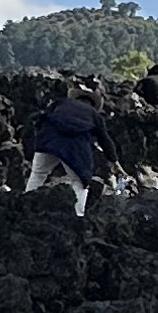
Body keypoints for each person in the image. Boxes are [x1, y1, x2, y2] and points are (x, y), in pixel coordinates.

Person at [24, 87, 101, 220]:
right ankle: (79, 216)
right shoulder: (94, 114)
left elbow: (42, 117)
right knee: (80, 181)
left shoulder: (61, 103)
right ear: (92, 103)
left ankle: (25, 205)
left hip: (49, 139)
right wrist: (114, 161)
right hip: (75, 147)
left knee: (38, 174)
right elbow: (104, 139)